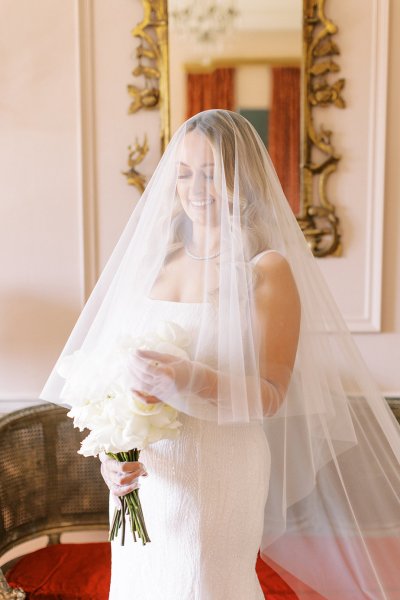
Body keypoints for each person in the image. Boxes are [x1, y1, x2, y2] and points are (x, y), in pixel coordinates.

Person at [41, 110, 400, 600]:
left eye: (212, 173)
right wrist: (112, 456)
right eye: (185, 173)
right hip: (146, 480)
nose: (195, 187)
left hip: (219, 470)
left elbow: (271, 394)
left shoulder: (265, 269)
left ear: (243, 178)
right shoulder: (155, 264)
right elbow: (112, 377)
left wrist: (189, 380)